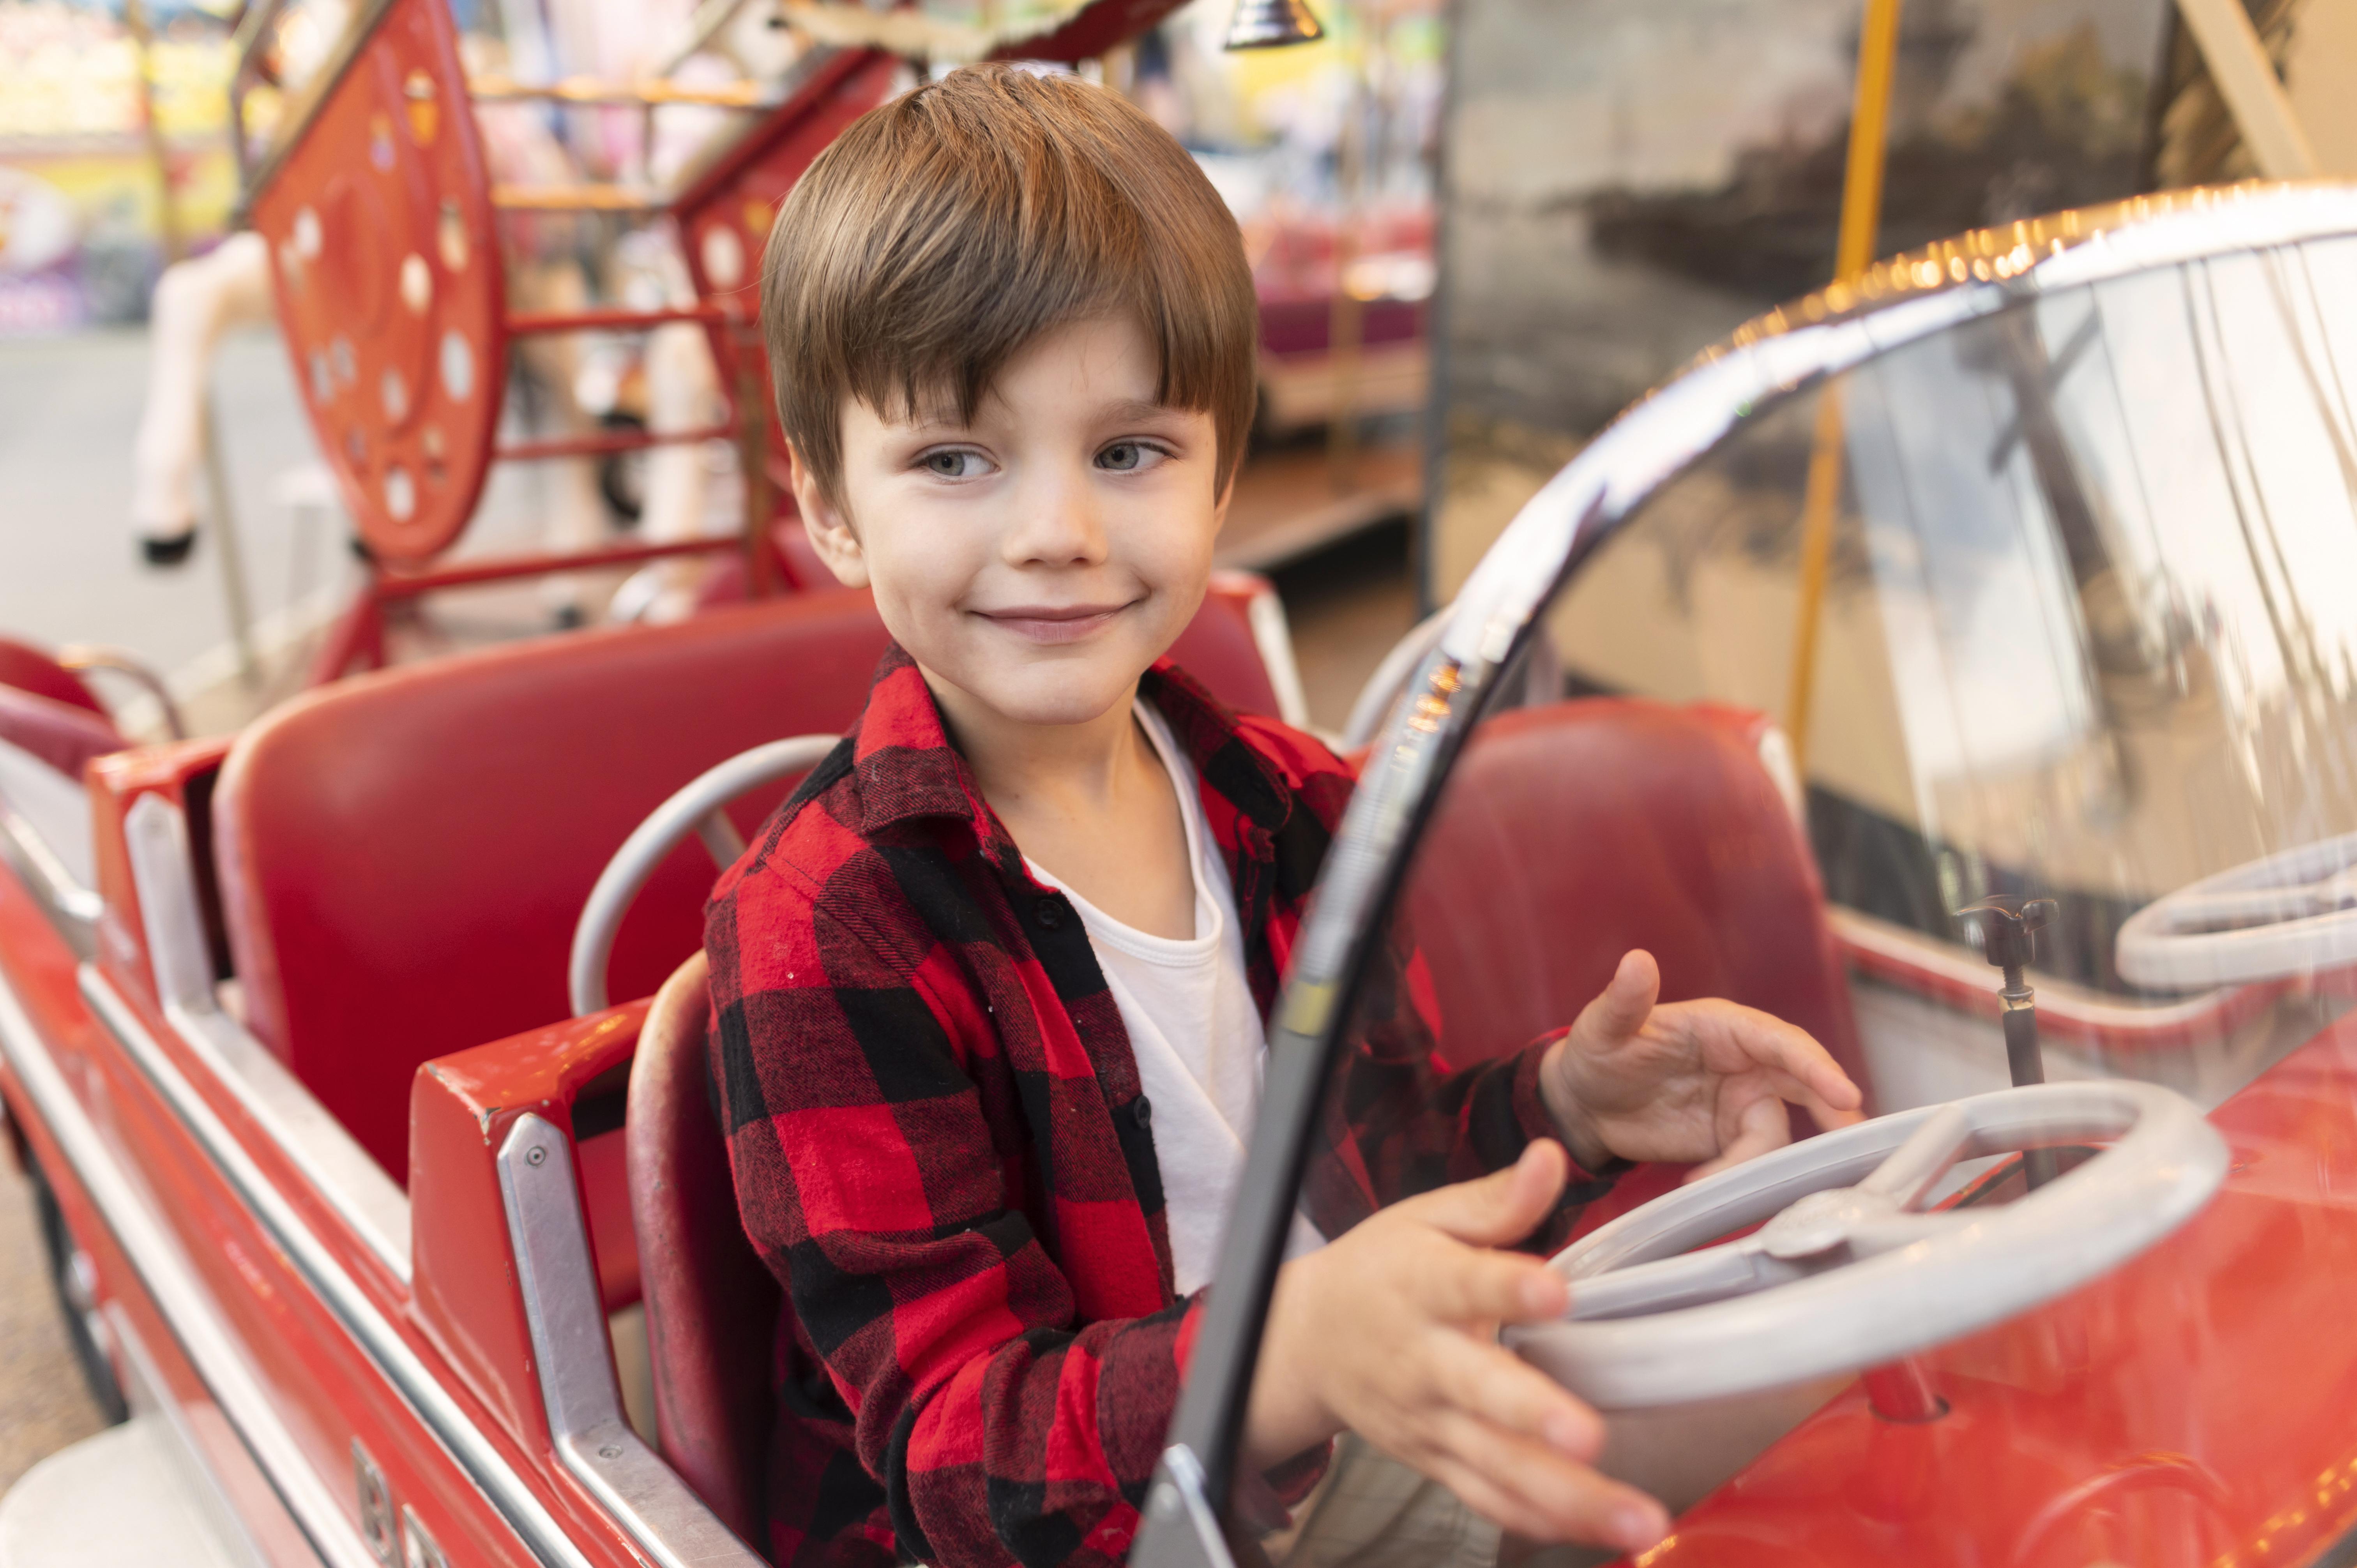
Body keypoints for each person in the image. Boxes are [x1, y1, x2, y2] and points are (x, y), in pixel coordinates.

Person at [704, 64, 1861, 1568]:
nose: (1056, 534)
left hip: (1340, 1460)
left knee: (1846, 1361)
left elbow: (1382, 1171)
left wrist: (1564, 1113)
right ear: (832, 505)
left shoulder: (1296, 803)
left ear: (1222, 472)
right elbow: (953, 1452)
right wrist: (1286, 1353)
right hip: (1084, 1543)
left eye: (1128, 453)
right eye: (953, 460)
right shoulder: (827, 923)